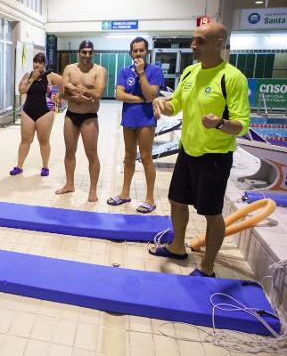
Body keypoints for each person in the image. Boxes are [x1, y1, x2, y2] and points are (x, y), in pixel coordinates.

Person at [150, 22, 250, 277]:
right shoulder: (190, 72)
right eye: (193, 40)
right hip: (188, 151)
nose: (193, 45)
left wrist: (220, 123)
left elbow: (241, 125)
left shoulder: (232, 77)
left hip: (215, 156)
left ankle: (207, 266)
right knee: (177, 201)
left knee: (212, 213)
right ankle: (177, 248)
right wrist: (162, 104)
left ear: (219, 43)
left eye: (200, 41)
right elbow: (177, 106)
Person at [107, 37, 163, 213]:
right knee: (128, 157)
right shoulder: (124, 71)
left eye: (141, 50)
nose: (138, 53)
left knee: (146, 157)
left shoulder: (155, 71)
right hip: (129, 119)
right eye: (135, 50)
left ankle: (150, 198)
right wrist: (141, 99)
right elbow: (119, 95)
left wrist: (141, 74)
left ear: (146, 52)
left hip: (146, 120)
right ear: (130, 53)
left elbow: (151, 94)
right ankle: (124, 194)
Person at [56, 40, 106, 202]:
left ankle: (92, 190)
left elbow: (98, 93)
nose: (87, 55)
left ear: (93, 53)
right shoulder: (69, 69)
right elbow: (62, 94)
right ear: (79, 53)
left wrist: (75, 89)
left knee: (91, 154)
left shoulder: (100, 70)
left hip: (89, 117)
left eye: (90, 52)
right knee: (69, 152)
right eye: (84, 52)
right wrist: (80, 96)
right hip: (71, 115)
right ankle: (69, 184)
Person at [10, 52, 62, 177]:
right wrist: (32, 79)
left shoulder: (50, 76)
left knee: (43, 140)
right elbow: (21, 90)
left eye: (41, 62)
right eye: (36, 61)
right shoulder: (28, 75)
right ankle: (19, 166)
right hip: (28, 111)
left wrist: (59, 95)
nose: (38, 64)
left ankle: (45, 166)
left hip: (45, 111)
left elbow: (65, 82)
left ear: (44, 64)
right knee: (25, 140)